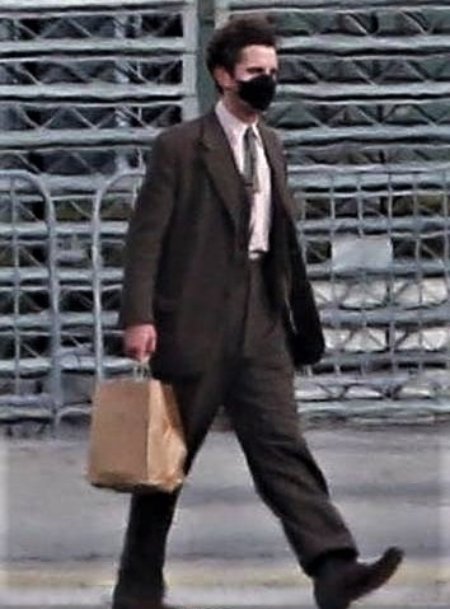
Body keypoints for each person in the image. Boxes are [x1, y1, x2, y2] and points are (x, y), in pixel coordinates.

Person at [112, 15, 403, 609]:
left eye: (272, 70)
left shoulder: (271, 143)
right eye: (254, 71)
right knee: (164, 465)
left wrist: (297, 315)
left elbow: (281, 237)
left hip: (261, 319)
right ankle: (137, 589)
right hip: (193, 321)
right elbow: (146, 238)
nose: (266, 81)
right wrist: (139, 316)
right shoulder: (180, 148)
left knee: (281, 446)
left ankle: (333, 566)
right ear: (224, 77)